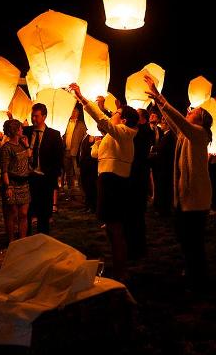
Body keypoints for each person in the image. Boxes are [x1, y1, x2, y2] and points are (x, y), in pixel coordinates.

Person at [144, 75, 213, 290]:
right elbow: (175, 122)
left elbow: (179, 120)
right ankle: (191, 268)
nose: (189, 111)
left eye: (194, 111)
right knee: (184, 237)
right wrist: (157, 100)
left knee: (194, 239)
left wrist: (160, 97)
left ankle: (198, 275)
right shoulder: (186, 135)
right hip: (184, 197)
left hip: (196, 198)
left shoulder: (199, 133)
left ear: (200, 119)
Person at [70, 83, 137, 282]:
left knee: (115, 228)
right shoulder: (115, 135)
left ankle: (121, 270)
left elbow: (101, 119)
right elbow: (95, 153)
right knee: (110, 227)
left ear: (123, 119)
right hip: (106, 180)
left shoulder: (125, 133)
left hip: (114, 182)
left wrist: (82, 98)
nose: (112, 115)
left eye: (116, 112)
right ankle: (117, 265)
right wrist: (99, 140)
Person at [23, 103, 64, 236]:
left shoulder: (54, 135)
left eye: (36, 116)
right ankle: (26, 238)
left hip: (45, 178)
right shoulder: (26, 132)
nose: (33, 119)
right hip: (28, 177)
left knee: (44, 213)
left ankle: (42, 239)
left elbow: (58, 158)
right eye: (32, 116)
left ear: (44, 116)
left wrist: (53, 177)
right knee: (27, 211)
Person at [0, 119, 31, 242]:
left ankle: (22, 240)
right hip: (12, 184)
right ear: (16, 131)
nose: (22, 129)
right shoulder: (6, 148)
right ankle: (11, 241)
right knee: (12, 214)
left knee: (23, 213)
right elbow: (5, 170)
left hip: (24, 183)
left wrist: (27, 144)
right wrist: (8, 187)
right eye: (20, 128)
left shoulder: (21, 144)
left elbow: (28, 156)